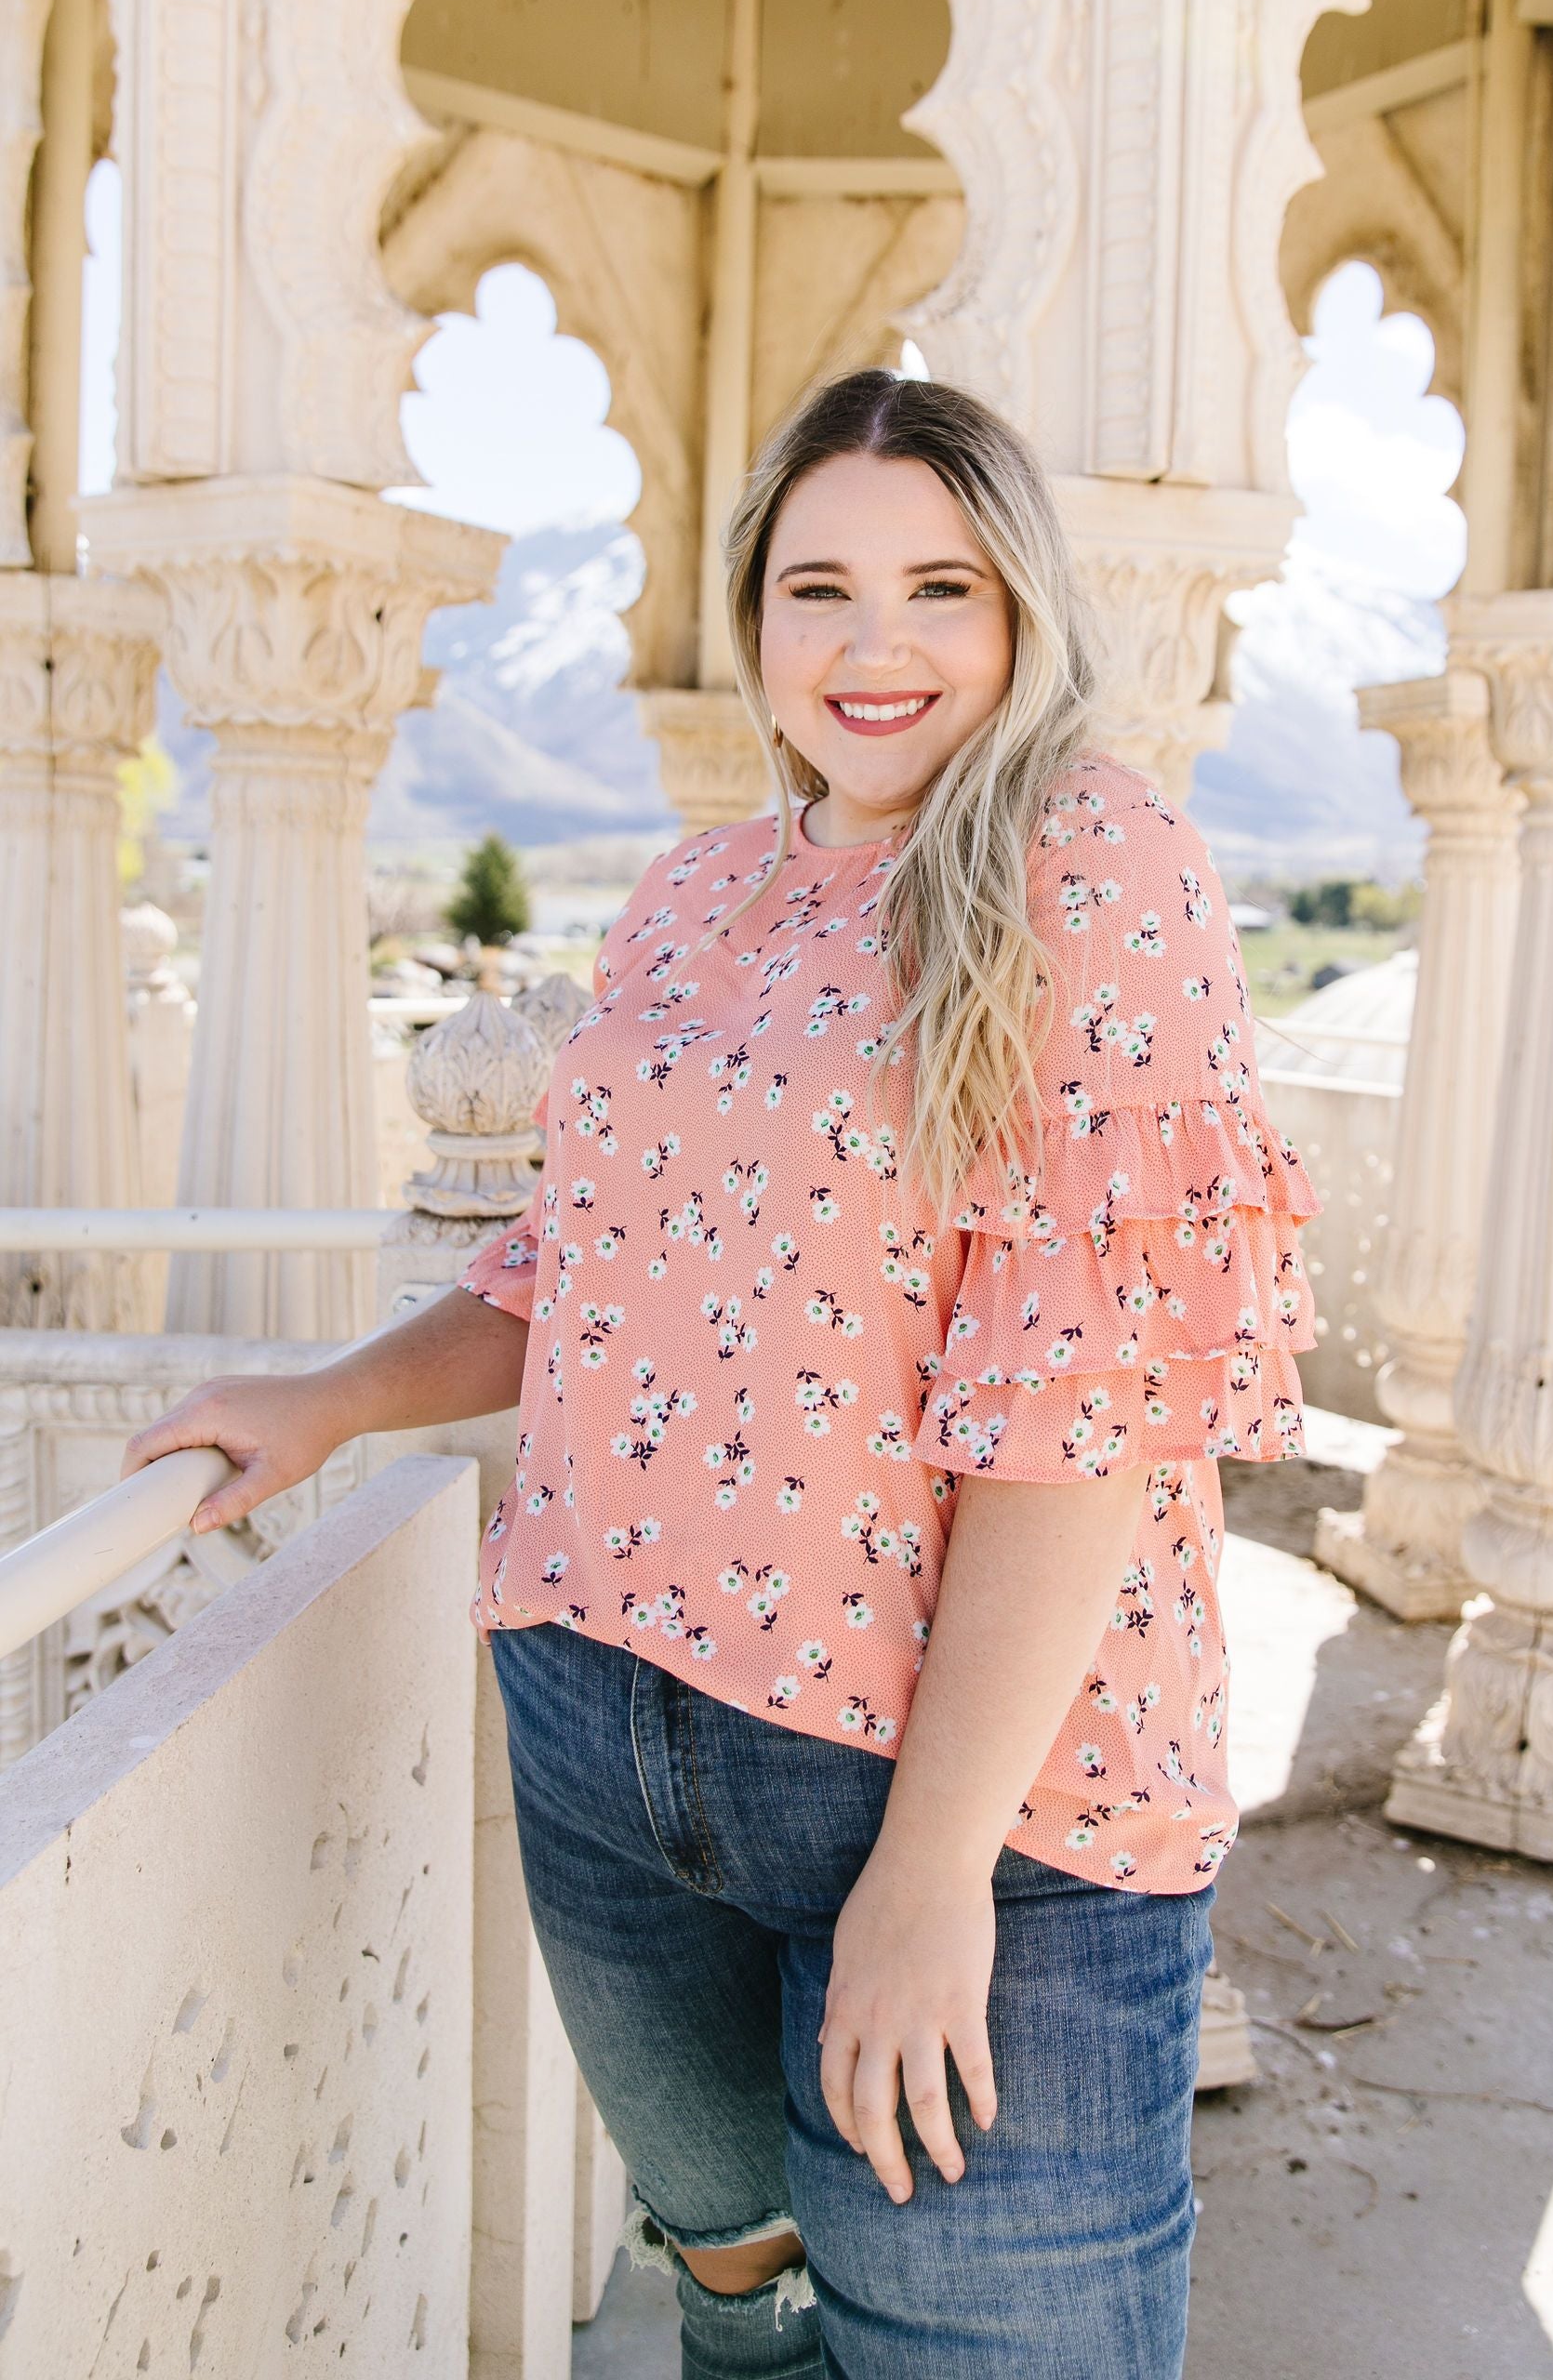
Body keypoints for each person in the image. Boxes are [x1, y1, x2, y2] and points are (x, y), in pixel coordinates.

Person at [125, 370, 1317, 2379]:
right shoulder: (700, 892)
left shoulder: (1094, 864)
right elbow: (576, 1271)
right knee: (734, 2301)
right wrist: (329, 1397)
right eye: (814, 587)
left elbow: (1084, 1407)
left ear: (1022, 613)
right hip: (609, 1738)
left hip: (983, 1817)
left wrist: (929, 1876)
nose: (873, 648)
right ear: (748, 620)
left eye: (939, 589)